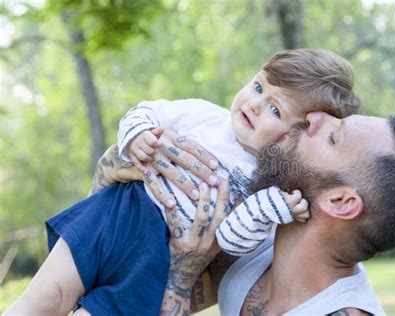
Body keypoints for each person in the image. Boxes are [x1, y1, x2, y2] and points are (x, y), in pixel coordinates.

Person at [4, 49, 361, 316]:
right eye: (257, 87)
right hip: (117, 214)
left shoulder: (265, 186)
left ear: (294, 138)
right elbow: (147, 111)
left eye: (275, 110)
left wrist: (273, 208)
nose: (254, 105)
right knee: (45, 298)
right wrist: (137, 136)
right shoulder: (205, 116)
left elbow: (231, 238)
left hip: (157, 261)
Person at [150, 112, 395, 315]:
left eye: (333, 136)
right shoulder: (252, 245)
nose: (314, 116)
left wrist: (182, 277)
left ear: (340, 202)